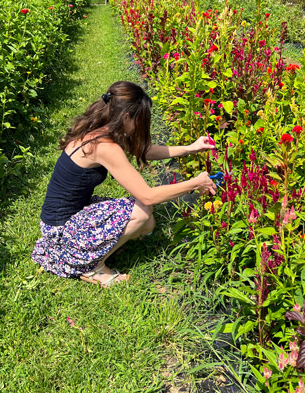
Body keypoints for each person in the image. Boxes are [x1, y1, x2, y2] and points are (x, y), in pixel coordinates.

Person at [31, 81, 217, 287]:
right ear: (127, 116)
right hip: (59, 231)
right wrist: (194, 183)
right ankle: (93, 267)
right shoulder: (105, 147)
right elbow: (148, 195)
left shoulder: (101, 129)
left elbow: (144, 151)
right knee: (143, 211)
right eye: (141, 120)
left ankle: (91, 250)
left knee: (147, 225)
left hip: (65, 216)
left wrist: (191, 148)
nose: (140, 126)